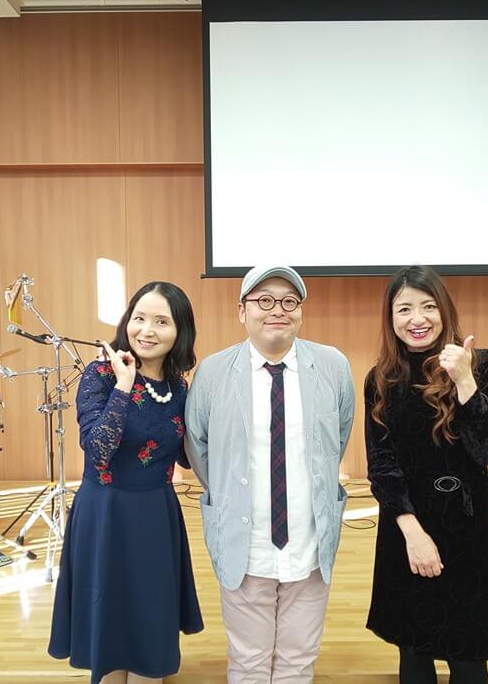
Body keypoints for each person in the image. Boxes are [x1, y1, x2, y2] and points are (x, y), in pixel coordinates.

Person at [185, 264, 355, 684]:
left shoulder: (332, 365)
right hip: (246, 544)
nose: (277, 310)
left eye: (288, 301)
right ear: (241, 311)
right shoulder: (213, 371)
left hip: (309, 541)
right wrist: (230, 493)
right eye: (264, 300)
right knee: (248, 661)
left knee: (299, 660)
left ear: (300, 311)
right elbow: (197, 445)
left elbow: (338, 436)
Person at [48, 281, 204, 684]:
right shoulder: (100, 375)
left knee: (149, 614)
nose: (147, 330)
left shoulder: (178, 387)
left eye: (161, 322)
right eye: (139, 318)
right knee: (108, 612)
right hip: (105, 512)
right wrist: (123, 385)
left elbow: (185, 456)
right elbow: (97, 450)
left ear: (180, 331)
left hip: (155, 514)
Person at [364, 265, 488, 684]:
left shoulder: (483, 364)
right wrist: (413, 535)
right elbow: (382, 466)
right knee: (414, 652)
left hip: (469, 528)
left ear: (444, 311)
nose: (417, 319)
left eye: (428, 306)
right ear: (391, 318)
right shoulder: (381, 379)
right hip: (407, 527)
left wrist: (464, 381)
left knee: (469, 656)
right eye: (404, 309)